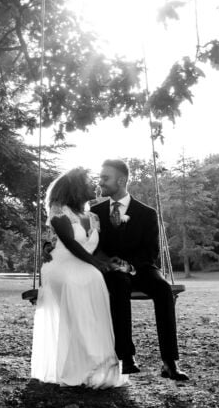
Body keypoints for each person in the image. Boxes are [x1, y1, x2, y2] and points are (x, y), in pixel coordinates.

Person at [92, 159, 189, 381]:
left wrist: (129, 266)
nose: (101, 182)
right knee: (118, 283)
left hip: (141, 268)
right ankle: (126, 356)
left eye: (105, 178)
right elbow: (93, 246)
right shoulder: (95, 212)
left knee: (163, 289)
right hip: (112, 271)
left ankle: (169, 361)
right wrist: (110, 263)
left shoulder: (146, 213)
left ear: (121, 180)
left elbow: (150, 251)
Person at [30, 168, 127, 388]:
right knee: (82, 280)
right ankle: (84, 363)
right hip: (61, 265)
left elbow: (95, 249)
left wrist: (107, 262)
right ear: (76, 188)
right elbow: (71, 244)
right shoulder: (59, 211)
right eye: (89, 182)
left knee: (93, 278)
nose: (94, 186)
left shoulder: (92, 216)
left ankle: (100, 363)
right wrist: (97, 264)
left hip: (85, 266)